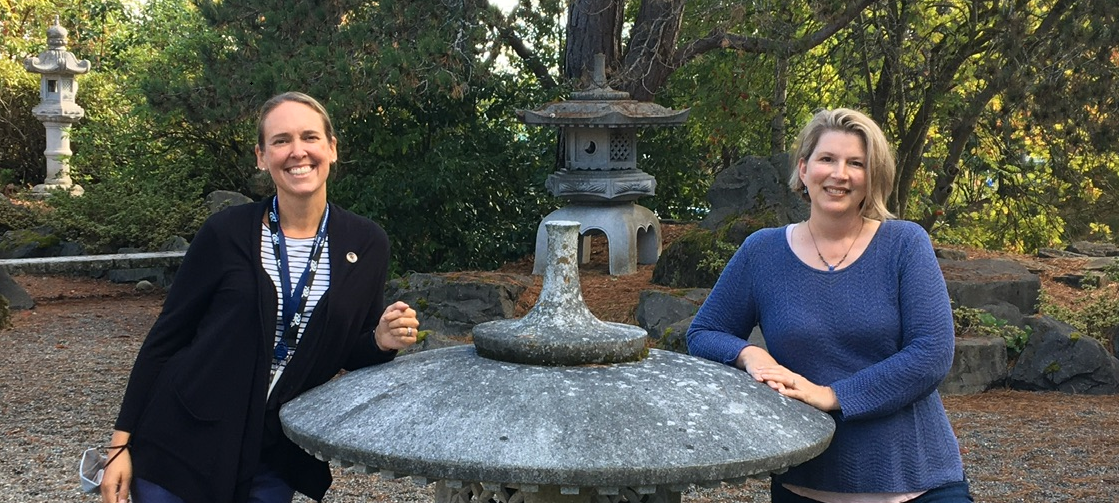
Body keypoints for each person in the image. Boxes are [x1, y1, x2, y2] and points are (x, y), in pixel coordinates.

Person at [99, 92, 419, 503]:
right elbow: (166, 338)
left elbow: (348, 349)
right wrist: (119, 446)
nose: (297, 151)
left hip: (272, 455)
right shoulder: (225, 233)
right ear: (261, 156)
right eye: (281, 140)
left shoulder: (366, 242)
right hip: (184, 438)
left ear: (331, 149)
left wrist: (380, 340)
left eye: (309, 137)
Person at [686, 108, 972, 503]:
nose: (840, 174)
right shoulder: (762, 251)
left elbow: (932, 353)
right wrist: (750, 354)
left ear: (872, 177)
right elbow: (703, 333)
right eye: (827, 159)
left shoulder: (905, 243)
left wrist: (832, 395)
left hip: (916, 481)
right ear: (803, 169)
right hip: (806, 483)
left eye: (856, 163)